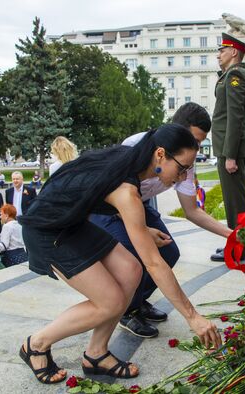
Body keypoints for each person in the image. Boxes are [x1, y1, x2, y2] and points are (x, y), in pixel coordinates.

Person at [17, 124, 221, 385]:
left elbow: (95, 196)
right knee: (110, 301)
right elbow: (155, 264)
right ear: (160, 154)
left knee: (131, 269)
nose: (183, 177)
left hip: (71, 223)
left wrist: (143, 229)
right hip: (47, 231)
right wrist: (193, 317)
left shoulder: (128, 164)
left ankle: (96, 354)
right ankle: (36, 344)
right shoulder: (127, 189)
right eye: (182, 168)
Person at [90, 102, 232, 338]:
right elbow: (110, 193)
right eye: (194, 141)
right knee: (136, 258)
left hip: (139, 204)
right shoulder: (135, 146)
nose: (196, 148)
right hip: (107, 206)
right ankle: (126, 310)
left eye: (199, 143)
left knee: (169, 252)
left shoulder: (186, 159)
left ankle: (137, 301)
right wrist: (143, 230)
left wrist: (232, 234)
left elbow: (192, 210)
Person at [210, 33, 245, 262]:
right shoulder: (231, 75)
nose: (218, 55)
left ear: (234, 52)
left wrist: (230, 155)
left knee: (236, 202)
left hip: (231, 150)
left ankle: (238, 249)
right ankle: (235, 243)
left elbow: (235, 118)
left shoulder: (235, 75)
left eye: (222, 50)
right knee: (234, 200)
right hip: (229, 148)